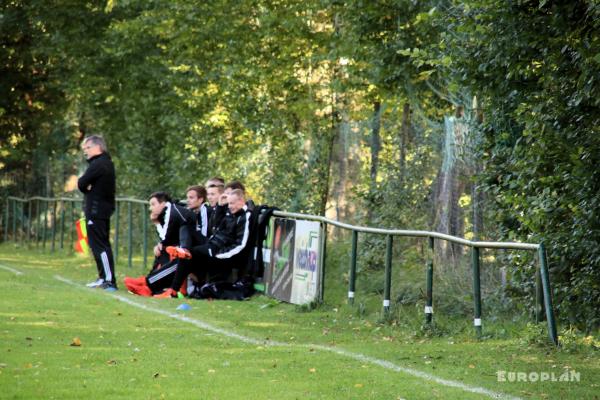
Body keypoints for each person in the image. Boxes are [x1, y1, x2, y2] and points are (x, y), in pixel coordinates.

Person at [155, 188, 252, 298]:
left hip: (222, 254)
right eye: (229, 203)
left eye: (232, 203)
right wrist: (220, 206)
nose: (229, 206)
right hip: (212, 245)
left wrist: (218, 254)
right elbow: (216, 227)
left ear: (241, 201)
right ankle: (183, 252)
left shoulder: (246, 216)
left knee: (188, 256)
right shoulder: (231, 212)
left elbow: (241, 245)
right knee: (186, 229)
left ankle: (172, 290)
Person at [123, 192, 195, 296]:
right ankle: (148, 284)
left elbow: (165, 238)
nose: (150, 208)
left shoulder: (172, 212)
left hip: (190, 251)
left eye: (153, 204)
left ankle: (147, 284)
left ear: (163, 203)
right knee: (162, 249)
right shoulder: (169, 211)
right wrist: (160, 243)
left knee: (167, 251)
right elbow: (166, 238)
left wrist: (156, 223)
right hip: (183, 248)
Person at [77, 135, 117, 291]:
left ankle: (108, 280)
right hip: (99, 210)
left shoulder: (99, 164)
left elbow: (81, 182)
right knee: (97, 245)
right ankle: (103, 277)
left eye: (87, 148)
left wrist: (87, 187)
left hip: (97, 211)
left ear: (97, 147)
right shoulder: (103, 163)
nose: (85, 152)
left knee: (100, 245)